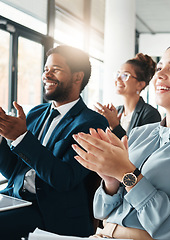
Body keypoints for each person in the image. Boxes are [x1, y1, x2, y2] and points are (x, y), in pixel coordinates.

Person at [72, 42, 170, 240]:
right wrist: (110, 181)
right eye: (159, 68)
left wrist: (127, 174)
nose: (160, 75)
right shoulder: (140, 133)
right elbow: (101, 211)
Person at [0, 45, 109, 239]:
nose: (46, 75)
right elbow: (13, 172)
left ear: (77, 77)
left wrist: (21, 138)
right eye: (45, 69)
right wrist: (2, 137)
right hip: (16, 199)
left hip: (52, 213)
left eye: (55, 69)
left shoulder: (92, 122)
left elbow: (64, 179)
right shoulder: (35, 113)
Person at [94, 53, 161, 139]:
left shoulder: (150, 114)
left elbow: (137, 150)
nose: (118, 79)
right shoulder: (116, 111)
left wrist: (115, 125)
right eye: (118, 74)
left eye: (125, 75)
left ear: (140, 85)